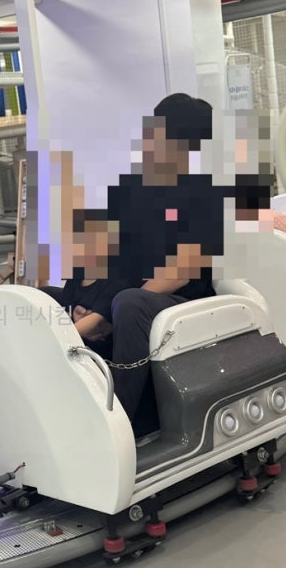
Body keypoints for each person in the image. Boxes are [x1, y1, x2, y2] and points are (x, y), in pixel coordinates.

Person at [71, 93, 226, 437]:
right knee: (49, 296)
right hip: (123, 297)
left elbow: (180, 273)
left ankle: (117, 424)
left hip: (178, 301)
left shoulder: (205, 196)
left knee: (130, 303)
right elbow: (114, 260)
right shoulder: (130, 191)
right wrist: (90, 304)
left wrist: (103, 316)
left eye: (158, 130)